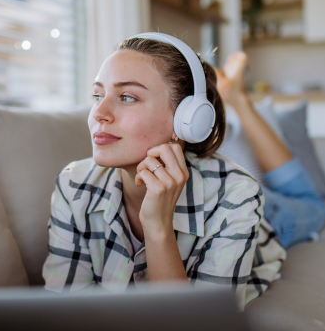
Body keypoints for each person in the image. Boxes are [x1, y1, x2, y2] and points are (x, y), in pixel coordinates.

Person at [42, 34, 286, 311]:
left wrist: (157, 227)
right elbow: (65, 312)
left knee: (308, 206)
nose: (99, 112)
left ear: (186, 120)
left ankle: (237, 95)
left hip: (275, 219)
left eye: (127, 97)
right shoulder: (73, 184)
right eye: (98, 95)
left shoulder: (237, 195)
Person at [214, 52, 325, 249]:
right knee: (315, 205)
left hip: (250, 202)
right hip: (250, 209)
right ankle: (239, 100)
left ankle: (238, 99)